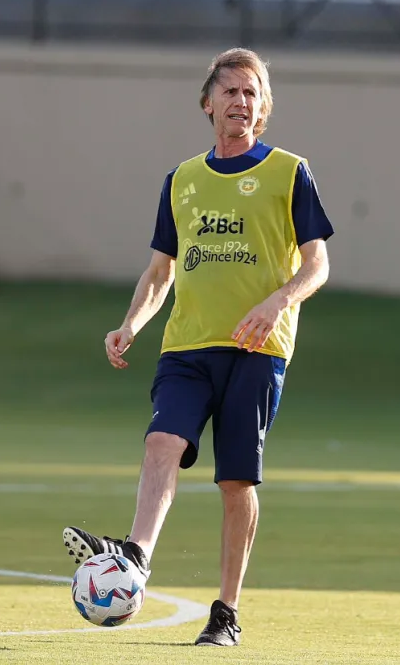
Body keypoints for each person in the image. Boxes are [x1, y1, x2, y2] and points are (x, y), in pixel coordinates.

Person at [62, 47, 333, 645]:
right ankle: (134, 554)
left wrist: (278, 302)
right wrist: (132, 323)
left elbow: (318, 265)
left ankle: (226, 614)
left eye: (252, 93)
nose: (241, 102)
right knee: (163, 440)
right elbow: (160, 271)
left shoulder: (291, 172)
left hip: (257, 350)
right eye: (230, 91)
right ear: (207, 103)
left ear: (263, 109)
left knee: (236, 483)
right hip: (186, 347)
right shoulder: (181, 180)